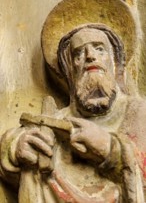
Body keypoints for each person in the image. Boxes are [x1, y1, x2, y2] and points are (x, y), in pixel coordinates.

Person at [0, 24, 145, 203]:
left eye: (99, 49)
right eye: (79, 54)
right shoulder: (54, 122)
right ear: (70, 71)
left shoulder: (139, 113)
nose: (90, 56)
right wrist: (15, 149)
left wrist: (110, 148)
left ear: (115, 63)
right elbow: (12, 146)